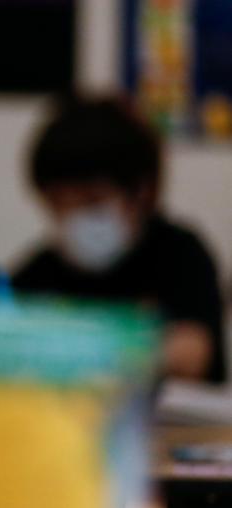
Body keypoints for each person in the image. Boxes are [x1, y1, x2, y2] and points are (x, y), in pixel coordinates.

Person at [13, 96, 227, 383]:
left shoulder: (180, 254)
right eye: (59, 203)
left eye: (91, 201)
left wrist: (79, 354)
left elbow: (192, 355)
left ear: (141, 191)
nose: (74, 217)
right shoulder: (38, 273)